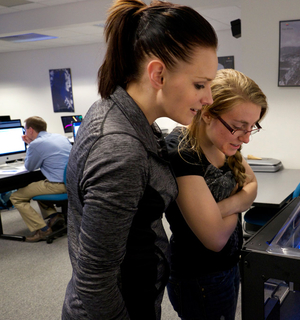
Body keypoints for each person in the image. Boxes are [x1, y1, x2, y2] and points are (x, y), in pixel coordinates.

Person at [61, 1, 218, 319]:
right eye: (200, 85)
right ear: (158, 74)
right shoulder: (121, 150)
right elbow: (95, 282)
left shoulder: (123, 113)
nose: (209, 99)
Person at [165, 68, 268, 320]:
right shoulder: (182, 152)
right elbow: (215, 238)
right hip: (199, 277)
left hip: (229, 265)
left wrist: (219, 210)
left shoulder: (224, 143)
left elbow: (252, 186)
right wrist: (238, 201)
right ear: (208, 114)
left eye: (251, 128)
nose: (245, 139)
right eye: (238, 127)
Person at [10, 116, 71, 242]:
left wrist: (30, 145)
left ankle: (42, 230)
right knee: (36, 187)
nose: (25, 133)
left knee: (16, 197)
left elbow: (29, 166)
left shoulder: (36, 144)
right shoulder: (59, 137)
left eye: (25, 130)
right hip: (71, 182)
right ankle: (54, 216)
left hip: (58, 185)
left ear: (30, 130)